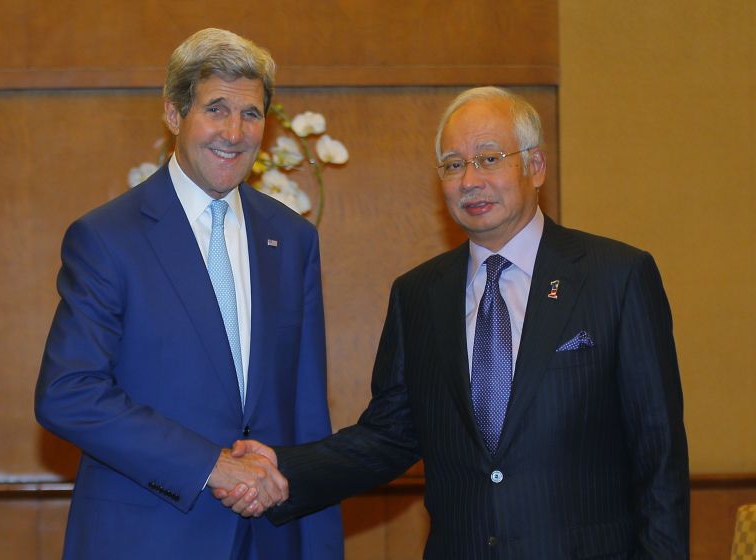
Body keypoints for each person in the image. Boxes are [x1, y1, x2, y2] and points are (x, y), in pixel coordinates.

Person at [222, 86, 690, 558]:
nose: (469, 180)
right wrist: (282, 468)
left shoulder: (615, 277)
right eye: (452, 164)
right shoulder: (418, 295)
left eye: (489, 159)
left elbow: (659, 453)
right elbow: (389, 436)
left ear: (536, 166)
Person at [35, 28, 343, 559]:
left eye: (251, 114)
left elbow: (307, 410)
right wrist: (211, 465)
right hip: (147, 540)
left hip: (270, 538)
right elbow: (69, 393)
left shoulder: (292, 240)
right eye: (216, 108)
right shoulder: (109, 238)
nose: (234, 131)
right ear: (175, 116)